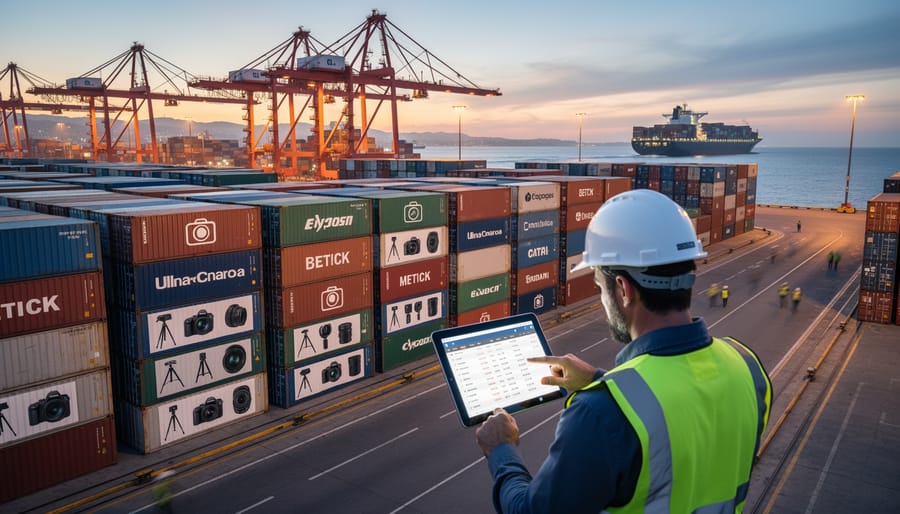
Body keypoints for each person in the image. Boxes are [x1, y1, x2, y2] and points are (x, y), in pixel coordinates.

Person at [475, 189, 773, 514]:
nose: (602, 299)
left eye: (600, 287)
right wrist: (602, 381)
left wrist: (501, 450)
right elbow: (684, 420)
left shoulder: (599, 414)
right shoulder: (746, 365)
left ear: (623, 289)